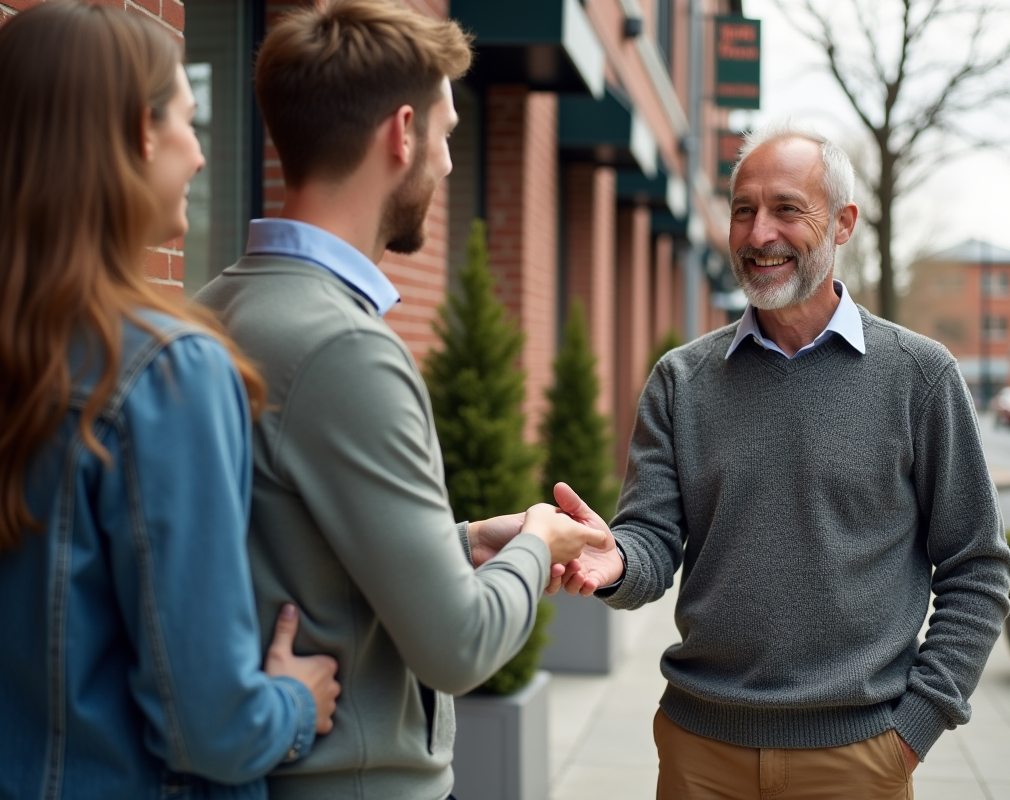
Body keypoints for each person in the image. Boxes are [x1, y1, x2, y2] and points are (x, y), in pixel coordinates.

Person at [195, 3, 610, 799]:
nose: (450, 164)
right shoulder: (345, 349)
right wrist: (536, 540)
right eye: (448, 135)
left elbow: (304, 564)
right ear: (402, 132)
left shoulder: (217, 306)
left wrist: (461, 544)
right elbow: (459, 644)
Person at [550, 122, 1010, 799]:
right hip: (699, 752)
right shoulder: (681, 380)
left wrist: (913, 729)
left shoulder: (919, 377)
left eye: (787, 209)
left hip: (859, 759)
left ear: (844, 223)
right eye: (744, 210)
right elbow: (652, 541)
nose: (759, 232)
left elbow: (977, 567)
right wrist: (618, 561)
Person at [0, 5, 341, 800]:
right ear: (137, 136)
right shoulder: (165, 372)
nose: (199, 154)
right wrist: (295, 702)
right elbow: (210, 727)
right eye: (189, 119)